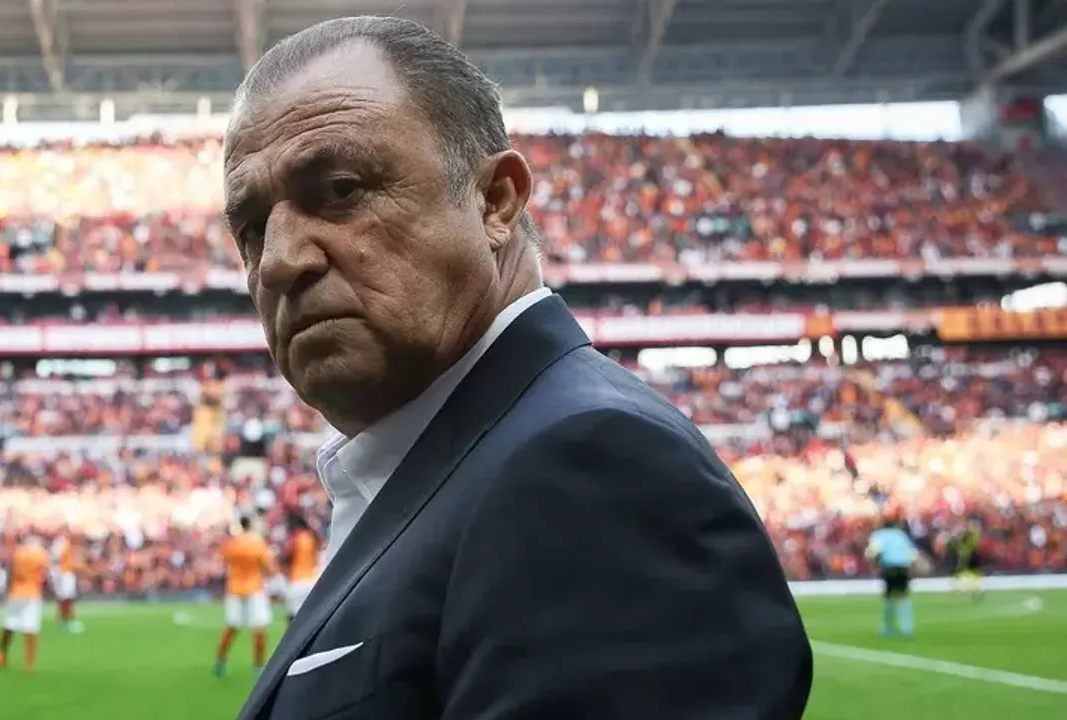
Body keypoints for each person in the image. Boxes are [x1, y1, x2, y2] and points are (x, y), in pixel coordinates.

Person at [223, 16, 812, 720]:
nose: (280, 260)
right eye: (251, 229)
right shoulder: (460, 465)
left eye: (342, 189)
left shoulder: (589, 468)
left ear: (495, 201)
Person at [215, 517, 281, 678]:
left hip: (235, 587)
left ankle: (220, 660)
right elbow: (268, 566)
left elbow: (224, 560)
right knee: (259, 627)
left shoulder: (232, 542)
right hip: (254, 587)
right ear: (250, 525)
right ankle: (258, 666)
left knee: (232, 625)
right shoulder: (257, 542)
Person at [0, 535, 49, 671]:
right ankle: (29, 663)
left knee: (8, 625)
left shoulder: (18, 553)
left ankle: (1, 656)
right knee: (31, 628)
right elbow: (43, 576)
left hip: (16, 592)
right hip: (32, 593)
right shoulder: (42, 555)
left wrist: (7, 592)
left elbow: (11, 573)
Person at [865, 516, 925, 638]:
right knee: (904, 597)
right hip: (903, 567)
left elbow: (873, 552)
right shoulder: (900, 535)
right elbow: (912, 553)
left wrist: (872, 564)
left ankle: (888, 627)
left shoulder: (879, 535)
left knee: (889, 597)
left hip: (889, 567)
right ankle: (907, 628)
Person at [281, 513, 321, 624]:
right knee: (310, 616)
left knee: (292, 617)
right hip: (312, 579)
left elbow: (287, 557)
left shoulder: (294, 538)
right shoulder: (312, 536)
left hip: (297, 580)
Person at [52, 534, 84, 632]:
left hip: (64, 573)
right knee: (67, 598)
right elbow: (57, 560)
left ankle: (63, 619)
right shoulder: (63, 545)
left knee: (64, 598)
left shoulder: (64, 545)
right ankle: (69, 619)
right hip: (65, 574)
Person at [949, 519, 985, 602]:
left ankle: (970, 589)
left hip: (969, 556)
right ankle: (963, 589)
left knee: (967, 573)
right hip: (967, 556)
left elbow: (967, 546)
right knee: (962, 573)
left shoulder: (972, 537)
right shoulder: (968, 536)